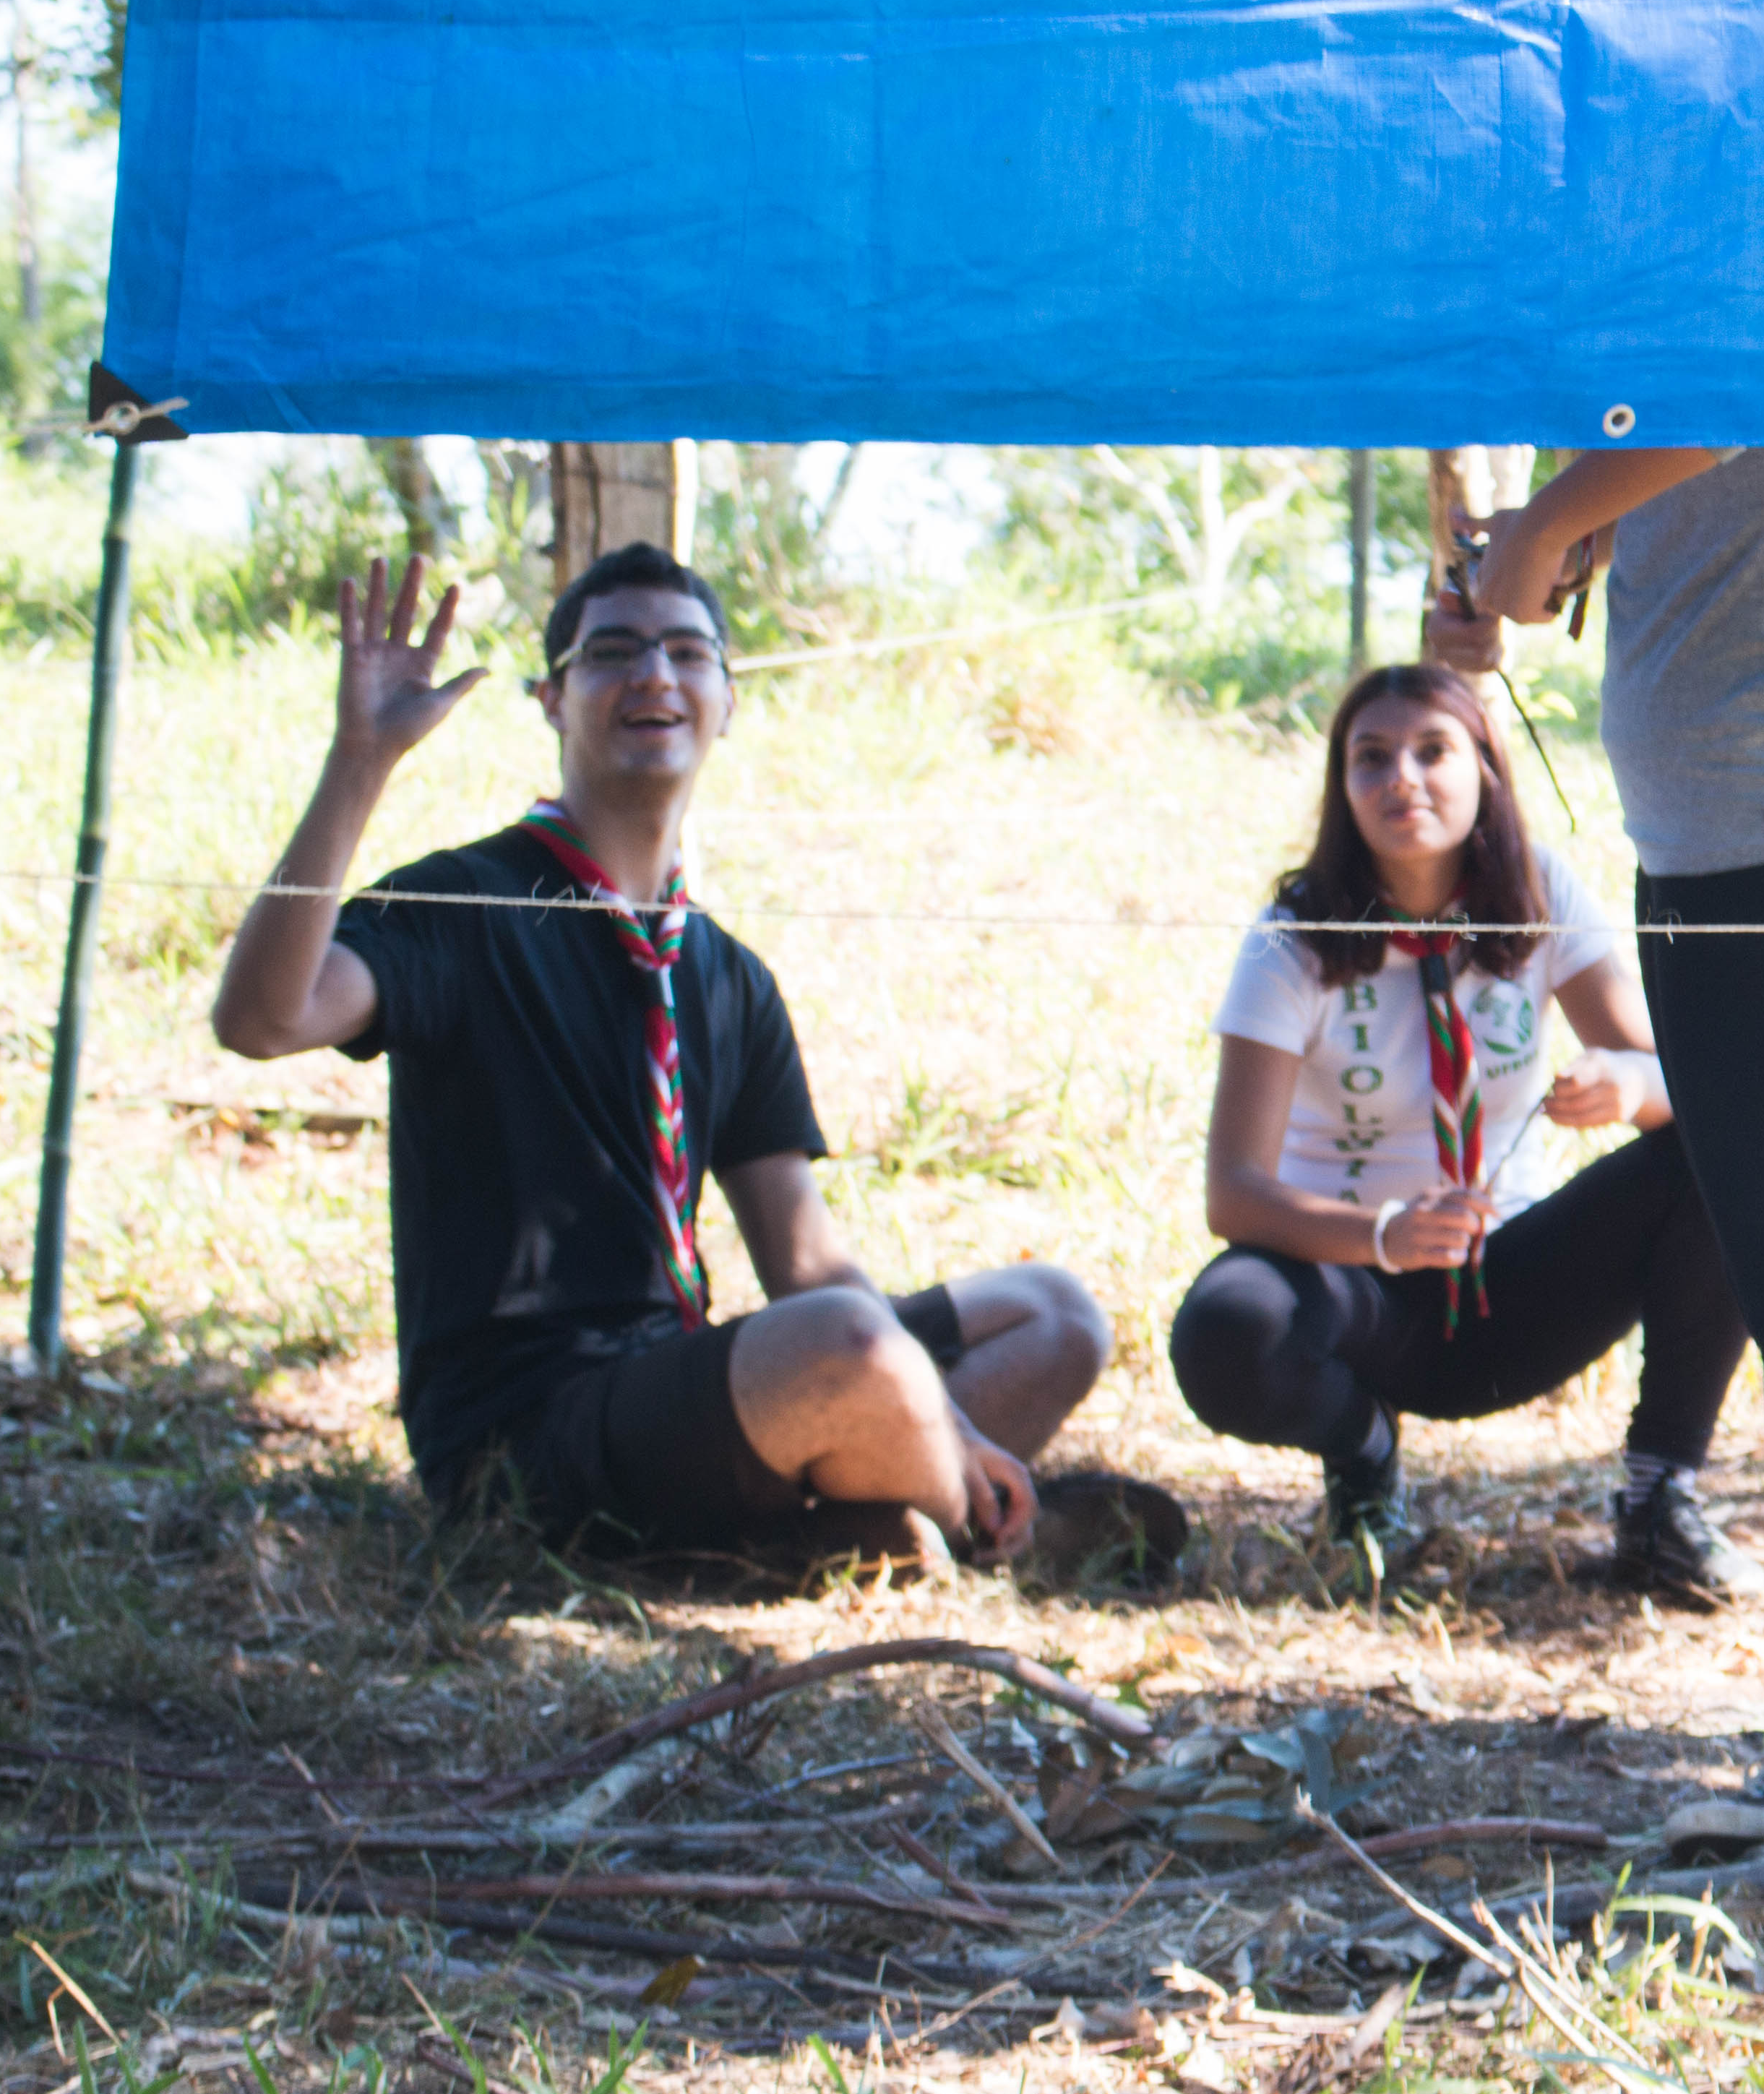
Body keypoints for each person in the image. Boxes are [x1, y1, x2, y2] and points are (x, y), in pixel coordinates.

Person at [209, 543, 1179, 1580]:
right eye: (611, 652)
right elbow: (262, 1020)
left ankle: (839, 1528)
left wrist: (950, 1412)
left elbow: (803, 1261)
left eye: (686, 651)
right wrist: (361, 761)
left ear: (728, 700)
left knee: (1052, 1315)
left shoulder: (726, 975)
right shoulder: (461, 905)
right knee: (849, 1347)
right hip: (525, 1437)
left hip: (678, 1384)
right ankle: (998, 1542)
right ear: (551, 700)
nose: (653, 674)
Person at [1430, 446, 1764, 1849]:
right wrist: (1554, 549)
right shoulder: (1697, 362)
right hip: (1720, 844)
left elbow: (1719, 422)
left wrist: (1545, 524)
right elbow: (1685, 501)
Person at [1169, 662, 1755, 1597]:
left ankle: (1658, 1501)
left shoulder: (1537, 892)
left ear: (1485, 768)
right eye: (1371, 758)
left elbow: (1683, 1090)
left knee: (1727, 1156)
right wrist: (1386, 1234)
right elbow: (1233, 1194)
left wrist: (1626, 1085)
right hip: (1352, 1288)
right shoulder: (1295, 936)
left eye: (1432, 751)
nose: (1402, 778)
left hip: (1511, 1280)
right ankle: (1362, 1454)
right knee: (1226, 1326)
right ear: (1343, 787)